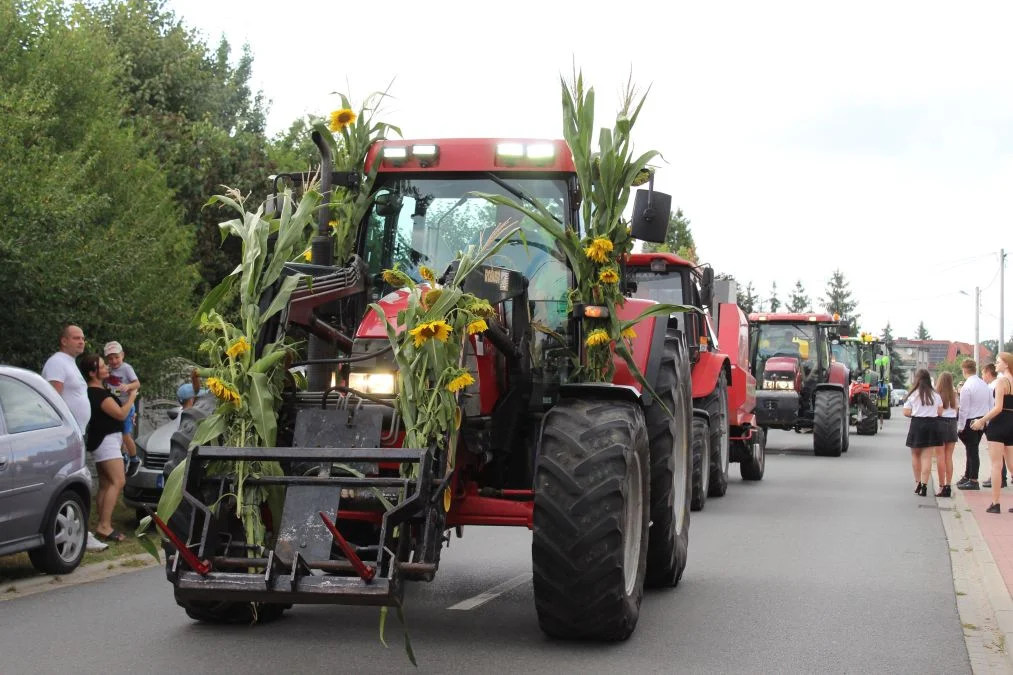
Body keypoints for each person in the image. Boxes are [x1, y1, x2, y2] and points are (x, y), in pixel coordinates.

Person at [41, 324, 108, 553]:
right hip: (65, 436)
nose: (81, 341)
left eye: (83, 338)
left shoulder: (69, 363)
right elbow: (53, 396)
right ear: (64, 341)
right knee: (72, 484)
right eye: (76, 338)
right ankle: (77, 531)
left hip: (76, 434)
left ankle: (79, 530)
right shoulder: (57, 363)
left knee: (79, 482)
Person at [79, 352, 137, 542]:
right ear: (93, 373)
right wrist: (132, 398)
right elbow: (120, 414)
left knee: (105, 484)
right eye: (103, 366)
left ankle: (102, 524)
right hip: (107, 441)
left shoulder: (94, 392)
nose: (107, 368)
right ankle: (105, 525)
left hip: (101, 441)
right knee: (118, 481)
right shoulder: (98, 394)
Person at [971, 353, 1013, 513]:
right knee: (1011, 465)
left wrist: (981, 420)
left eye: (998, 362)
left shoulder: (1001, 382)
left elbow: (998, 408)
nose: (996, 364)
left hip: (999, 424)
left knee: (996, 465)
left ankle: (996, 503)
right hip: (1012, 423)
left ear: (1006, 364)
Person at [103, 341, 140, 477]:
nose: (114, 361)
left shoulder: (126, 368)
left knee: (125, 434)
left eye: (116, 357)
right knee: (116, 434)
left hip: (126, 405)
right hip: (115, 405)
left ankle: (134, 458)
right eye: (110, 358)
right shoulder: (108, 369)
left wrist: (128, 387)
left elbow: (137, 383)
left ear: (122, 355)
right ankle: (123, 456)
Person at [904, 368, 943, 497]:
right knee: (927, 457)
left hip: (917, 424)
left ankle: (918, 482)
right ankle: (925, 486)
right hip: (932, 425)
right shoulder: (936, 395)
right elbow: (940, 412)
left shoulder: (913, 395)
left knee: (915, 455)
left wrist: (917, 413)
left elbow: (906, 412)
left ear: (917, 380)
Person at [957, 359, 992, 490]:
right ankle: (967, 475)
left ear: (964, 370)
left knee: (972, 450)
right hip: (982, 419)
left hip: (970, 420)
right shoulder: (984, 385)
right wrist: (986, 421)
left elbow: (964, 409)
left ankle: (973, 479)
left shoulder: (967, 386)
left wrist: (960, 426)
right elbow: (990, 404)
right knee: (972, 449)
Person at [981, 363, 1007, 489]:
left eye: (982, 373)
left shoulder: (994, 385)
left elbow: (994, 406)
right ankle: (1002, 477)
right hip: (1003, 420)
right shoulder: (999, 383)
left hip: (995, 420)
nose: (982, 376)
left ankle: (998, 478)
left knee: (996, 455)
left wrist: (983, 420)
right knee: (1004, 454)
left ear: (987, 372)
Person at [934, 371, 959, 497]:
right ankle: (949, 485)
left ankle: (941, 486)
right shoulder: (955, 394)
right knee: (949, 457)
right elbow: (957, 410)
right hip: (952, 423)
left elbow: (936, 412)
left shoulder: (936, 394)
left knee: (940, 457)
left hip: (940, 423)